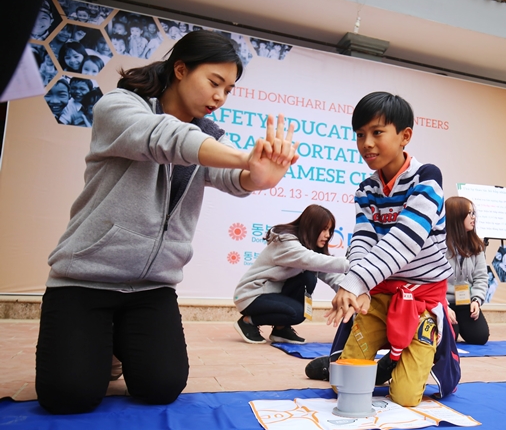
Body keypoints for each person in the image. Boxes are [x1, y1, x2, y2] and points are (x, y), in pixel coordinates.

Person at [35, 30, 299, 415]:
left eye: (229, 90)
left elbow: (230, 178)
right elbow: (165, 138)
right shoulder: (120, 107)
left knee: (162, 386)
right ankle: (100, 342)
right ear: (180, 69)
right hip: (84, 279)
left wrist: (256, 177)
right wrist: (244, 159)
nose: (220, 97)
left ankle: (117, 341)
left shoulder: (207, 138)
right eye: (214, 83)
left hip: (151, 287)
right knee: (68, 396)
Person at [323, 92, 459, 407]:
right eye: (360, 135)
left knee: (407, 398)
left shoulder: (427, 177)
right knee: (343, 385)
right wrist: (361, 288)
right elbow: (362, 239)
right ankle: (385, 361)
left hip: (421, 297)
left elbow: (406, 238)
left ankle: (435, 349)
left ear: (405, 136)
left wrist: (355, 282)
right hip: (380, 293)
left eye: (377, 132)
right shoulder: (366, 188)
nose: (366, 143)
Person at [233, 204, 348, 345]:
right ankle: (247, 322)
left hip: (273, 295)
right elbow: (310, 259)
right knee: (297, 313)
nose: (328, 235)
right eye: (324, 229)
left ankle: (281, 329)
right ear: (311, 227)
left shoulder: (311, 249)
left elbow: (332, 275)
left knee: (308, 278)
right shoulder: (286, 244)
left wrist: (352, 291)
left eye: (330, 230)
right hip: (251, 295)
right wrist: (354, 264)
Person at [444, 196, 490, 345]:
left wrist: (476, 299)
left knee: (480, 337)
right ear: (456, 216)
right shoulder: (438, 245)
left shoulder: (476, 245)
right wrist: (443, 305)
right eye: (469, 213)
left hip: (466, 301)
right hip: (443, 302)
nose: (473, 217)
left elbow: (481, 277)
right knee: (450, 337)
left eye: (473, 213)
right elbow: (432, 280)